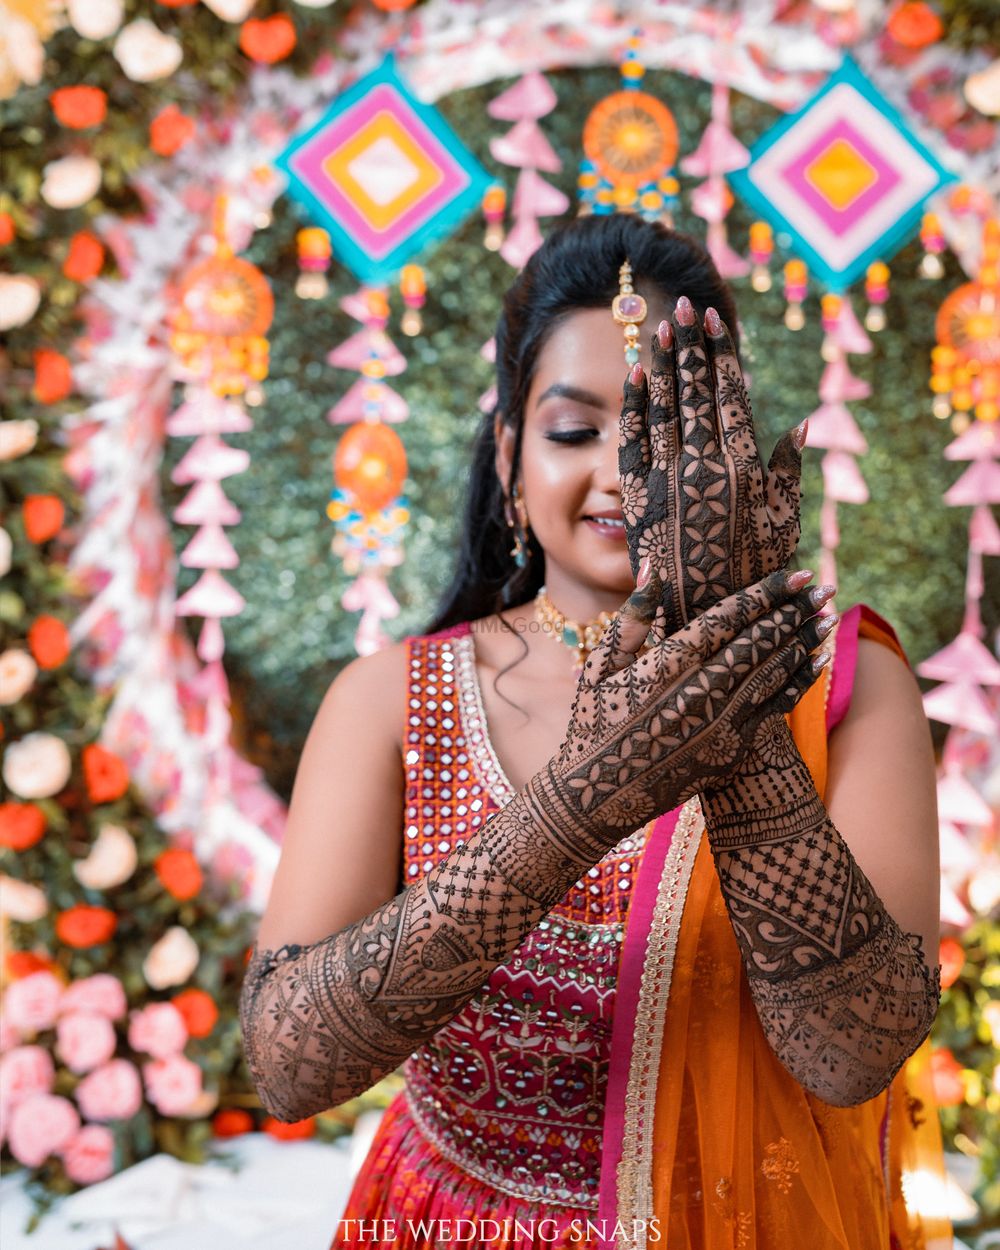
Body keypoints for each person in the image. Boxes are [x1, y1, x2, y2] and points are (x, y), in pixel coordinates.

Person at [239, 215, 948, 1250]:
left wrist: (735, 711)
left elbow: (852, 1054)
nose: (625, 471)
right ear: (509, 456)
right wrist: (582, 801)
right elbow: (290, 1063)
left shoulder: (844, 683)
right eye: (575, 430)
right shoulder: (393, 699)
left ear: (735, 449)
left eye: (667, 432)